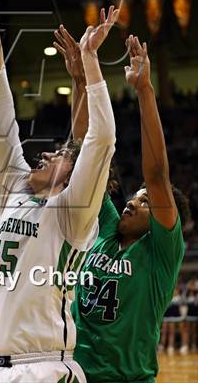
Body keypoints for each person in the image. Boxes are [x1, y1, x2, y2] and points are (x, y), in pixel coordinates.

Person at [0, 0, 118, 383]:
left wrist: (92, 62)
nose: (43, 155)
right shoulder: (15, 191)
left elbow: (101, 141)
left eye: (58, 154)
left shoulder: (72, 216)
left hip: (41, 367)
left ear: (74, 174)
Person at [56, 31, 190, 383]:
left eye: (145, 202)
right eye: (136, 195)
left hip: (127, 378)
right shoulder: (107, 227)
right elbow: (85, 152)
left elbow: (158, 174)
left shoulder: (161, 252)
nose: (133, 201)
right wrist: (80, 81)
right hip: (76, 373)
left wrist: (144, 90)